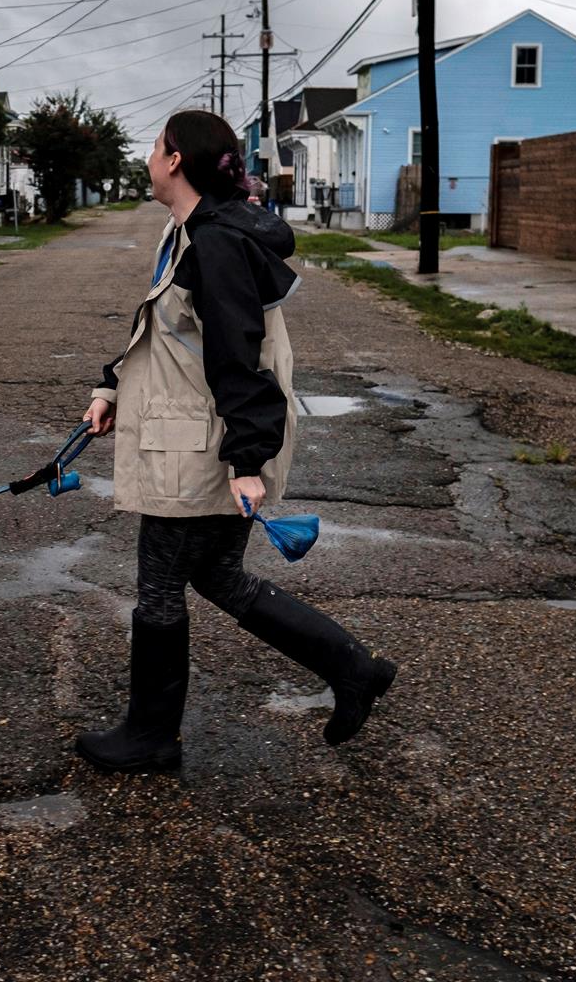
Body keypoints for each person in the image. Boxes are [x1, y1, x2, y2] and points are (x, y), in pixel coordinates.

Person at [75, 108, 398, 774]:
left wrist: (247, 460)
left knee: (162, 589)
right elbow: (166, 335)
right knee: (217, 575)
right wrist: (111, 388)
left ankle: (150, 735)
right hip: (196, 439)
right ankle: (353, 668)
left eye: (155, 145)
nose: (149, 156)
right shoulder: (189, 232)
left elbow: (239, 358)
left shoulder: (215, 244)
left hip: (201, 449)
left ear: (174, 162)